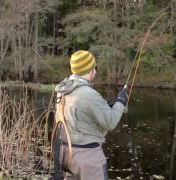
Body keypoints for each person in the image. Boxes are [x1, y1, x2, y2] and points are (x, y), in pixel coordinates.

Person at [54, 50, 128, 180]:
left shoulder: (63, 90)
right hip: (88, 158)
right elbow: (111, 122)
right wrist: (121, 101)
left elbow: (80, 112)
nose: (96, 71)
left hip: (66, 153)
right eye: (95, 67)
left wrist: (108, 105)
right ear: (90, 70)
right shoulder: (88, 94)